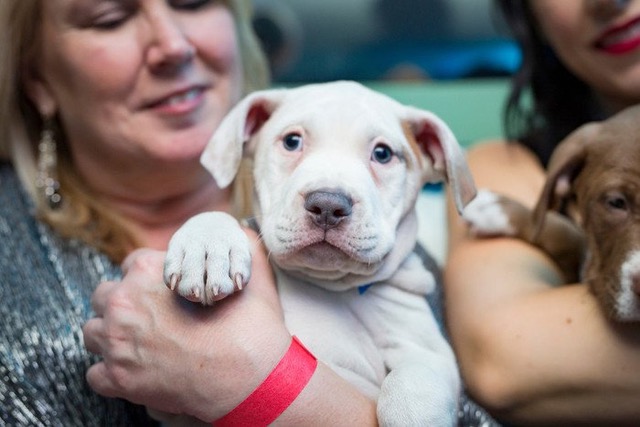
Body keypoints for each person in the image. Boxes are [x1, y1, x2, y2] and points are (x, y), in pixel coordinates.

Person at [0, 0, 379, 424]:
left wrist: (264, 384)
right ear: (38, 80)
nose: (173, 46)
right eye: (110, 18)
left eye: (193, 2)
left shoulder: (356, 217)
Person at [445, 0, 640, 425]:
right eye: (616, 203)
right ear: (530, 16)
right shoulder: (510, 167)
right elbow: (506, 364)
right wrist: (554, 235)